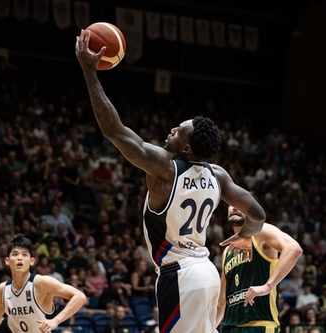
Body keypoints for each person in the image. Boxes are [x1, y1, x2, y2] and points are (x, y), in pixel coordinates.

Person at [75, 30, 266, 333]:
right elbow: (257, 214)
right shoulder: (219, 175)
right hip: (207, 272)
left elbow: (115, 131)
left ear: (186, 149)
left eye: (178, 131)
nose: (172, 130)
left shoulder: (165, 169)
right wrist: (246, 236)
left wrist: (88, 71)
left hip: (181, 276)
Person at [216, 205, 303, 332]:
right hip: (229, 328)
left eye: (239, 202)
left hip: (259, 325)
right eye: (231, 203)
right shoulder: (227, 252)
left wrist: (269, 285)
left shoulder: (261, 232)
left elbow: (293, 248)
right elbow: (221, 305)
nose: (235, 207)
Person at [0, 233, 86, 333]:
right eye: (15, 254)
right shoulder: (3, 289)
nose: (19, 258)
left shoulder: (41, 283)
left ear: (32, 261)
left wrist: (56, 320)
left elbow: (80, 296)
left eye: (24, 254)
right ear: (7, 261)